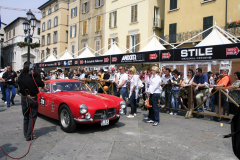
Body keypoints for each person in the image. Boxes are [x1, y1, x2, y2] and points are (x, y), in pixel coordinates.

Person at [18, 62, 44, 141]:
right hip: (32, 98)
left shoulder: (21, 76)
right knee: (32, 117)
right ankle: (29, 135)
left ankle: (26, 134)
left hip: (24, 98)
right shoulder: (34, 75)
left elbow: (18, 84)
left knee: (26, 116)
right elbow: (40, 83)